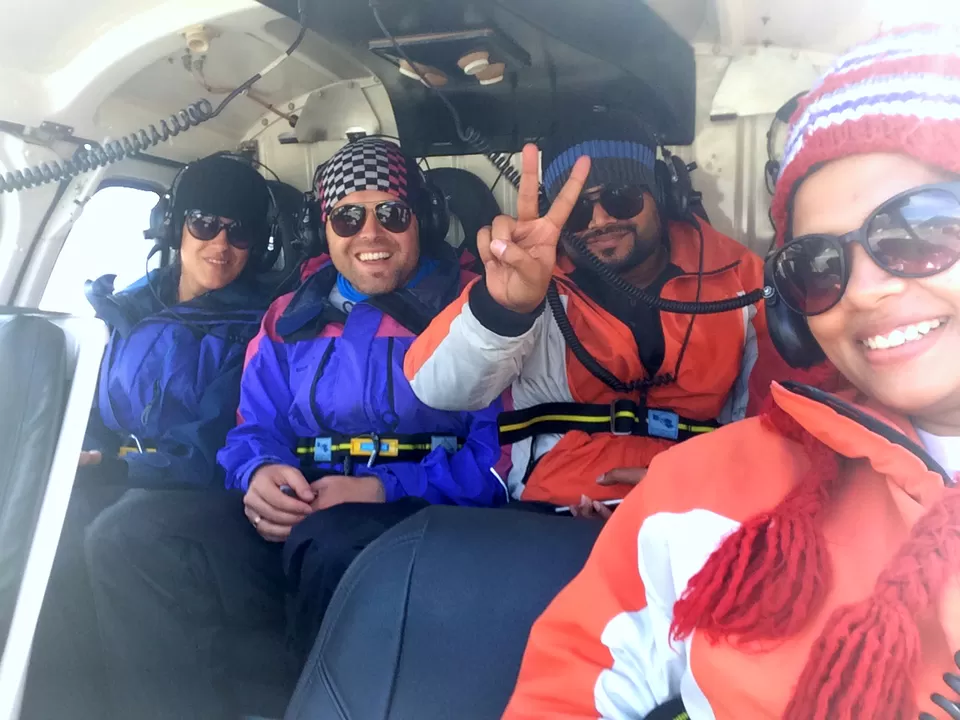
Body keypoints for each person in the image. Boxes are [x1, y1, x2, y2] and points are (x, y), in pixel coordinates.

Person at [503, 24, 960, 720]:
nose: (865, 289)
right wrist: (496, 306)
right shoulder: (700, 494)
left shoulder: (732, 281)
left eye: (920, 230)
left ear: (662, 199)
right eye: (821, 264)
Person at [83, 137, 506, 720]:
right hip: (299, 508)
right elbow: (251, 427)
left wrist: (382, 488)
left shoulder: (476, 310)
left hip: (413, 512)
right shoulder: (289, 313)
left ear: (424, 220)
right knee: (129, 534)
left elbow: (499, 455)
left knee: (331, 545)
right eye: (348, 216)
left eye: (392, 213)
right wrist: (259, 472)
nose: (371, 234)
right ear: (323, 228)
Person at [405, 111, 796, 516]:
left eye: (620, 197)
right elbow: (438, 389)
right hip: (556, 509)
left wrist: (702, 484)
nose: (600, 220)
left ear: (660, 193)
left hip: (698, 506)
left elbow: (779, 420)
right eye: (576, 210)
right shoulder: (531, 279)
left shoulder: (741, 278)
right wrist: (505, 308)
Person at [21, 153, 278, 720]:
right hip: (131, 475)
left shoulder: (260, 323)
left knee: (120, 534)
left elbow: (217, 439)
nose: (221, 244)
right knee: (50, 519)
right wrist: (79, 452)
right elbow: (95, 403)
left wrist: (121, 469)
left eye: (241, 232)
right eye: (206, 223)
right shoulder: (127, 309)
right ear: (174, 225)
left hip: (213, 491)